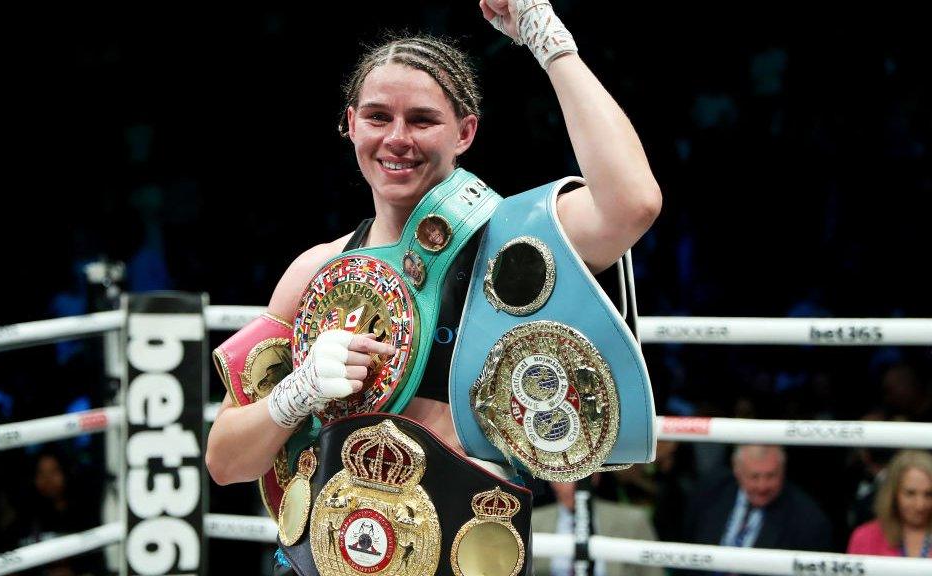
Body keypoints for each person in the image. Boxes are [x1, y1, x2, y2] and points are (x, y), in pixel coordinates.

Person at [206, 1, 661, 573]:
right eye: (377, 117)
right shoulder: (316, 271)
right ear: (350, 125)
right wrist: (296, 392)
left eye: (422, 120)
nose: (397, 138)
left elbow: (633, 203)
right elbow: (225, 461)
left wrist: (547, 38)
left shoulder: (512, 248)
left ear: (465, 132)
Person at [683, 445, 832, 565]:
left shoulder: (807, 519)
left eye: (771, 476)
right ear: (737, 470)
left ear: (783, 471)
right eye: (754, 477)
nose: (762, 486)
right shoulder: (711, 491)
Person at [847, 450, 932, 558]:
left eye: (929, 494)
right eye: (910, 494)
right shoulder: (864, 538)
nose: (920, 505)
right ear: (893, 494)